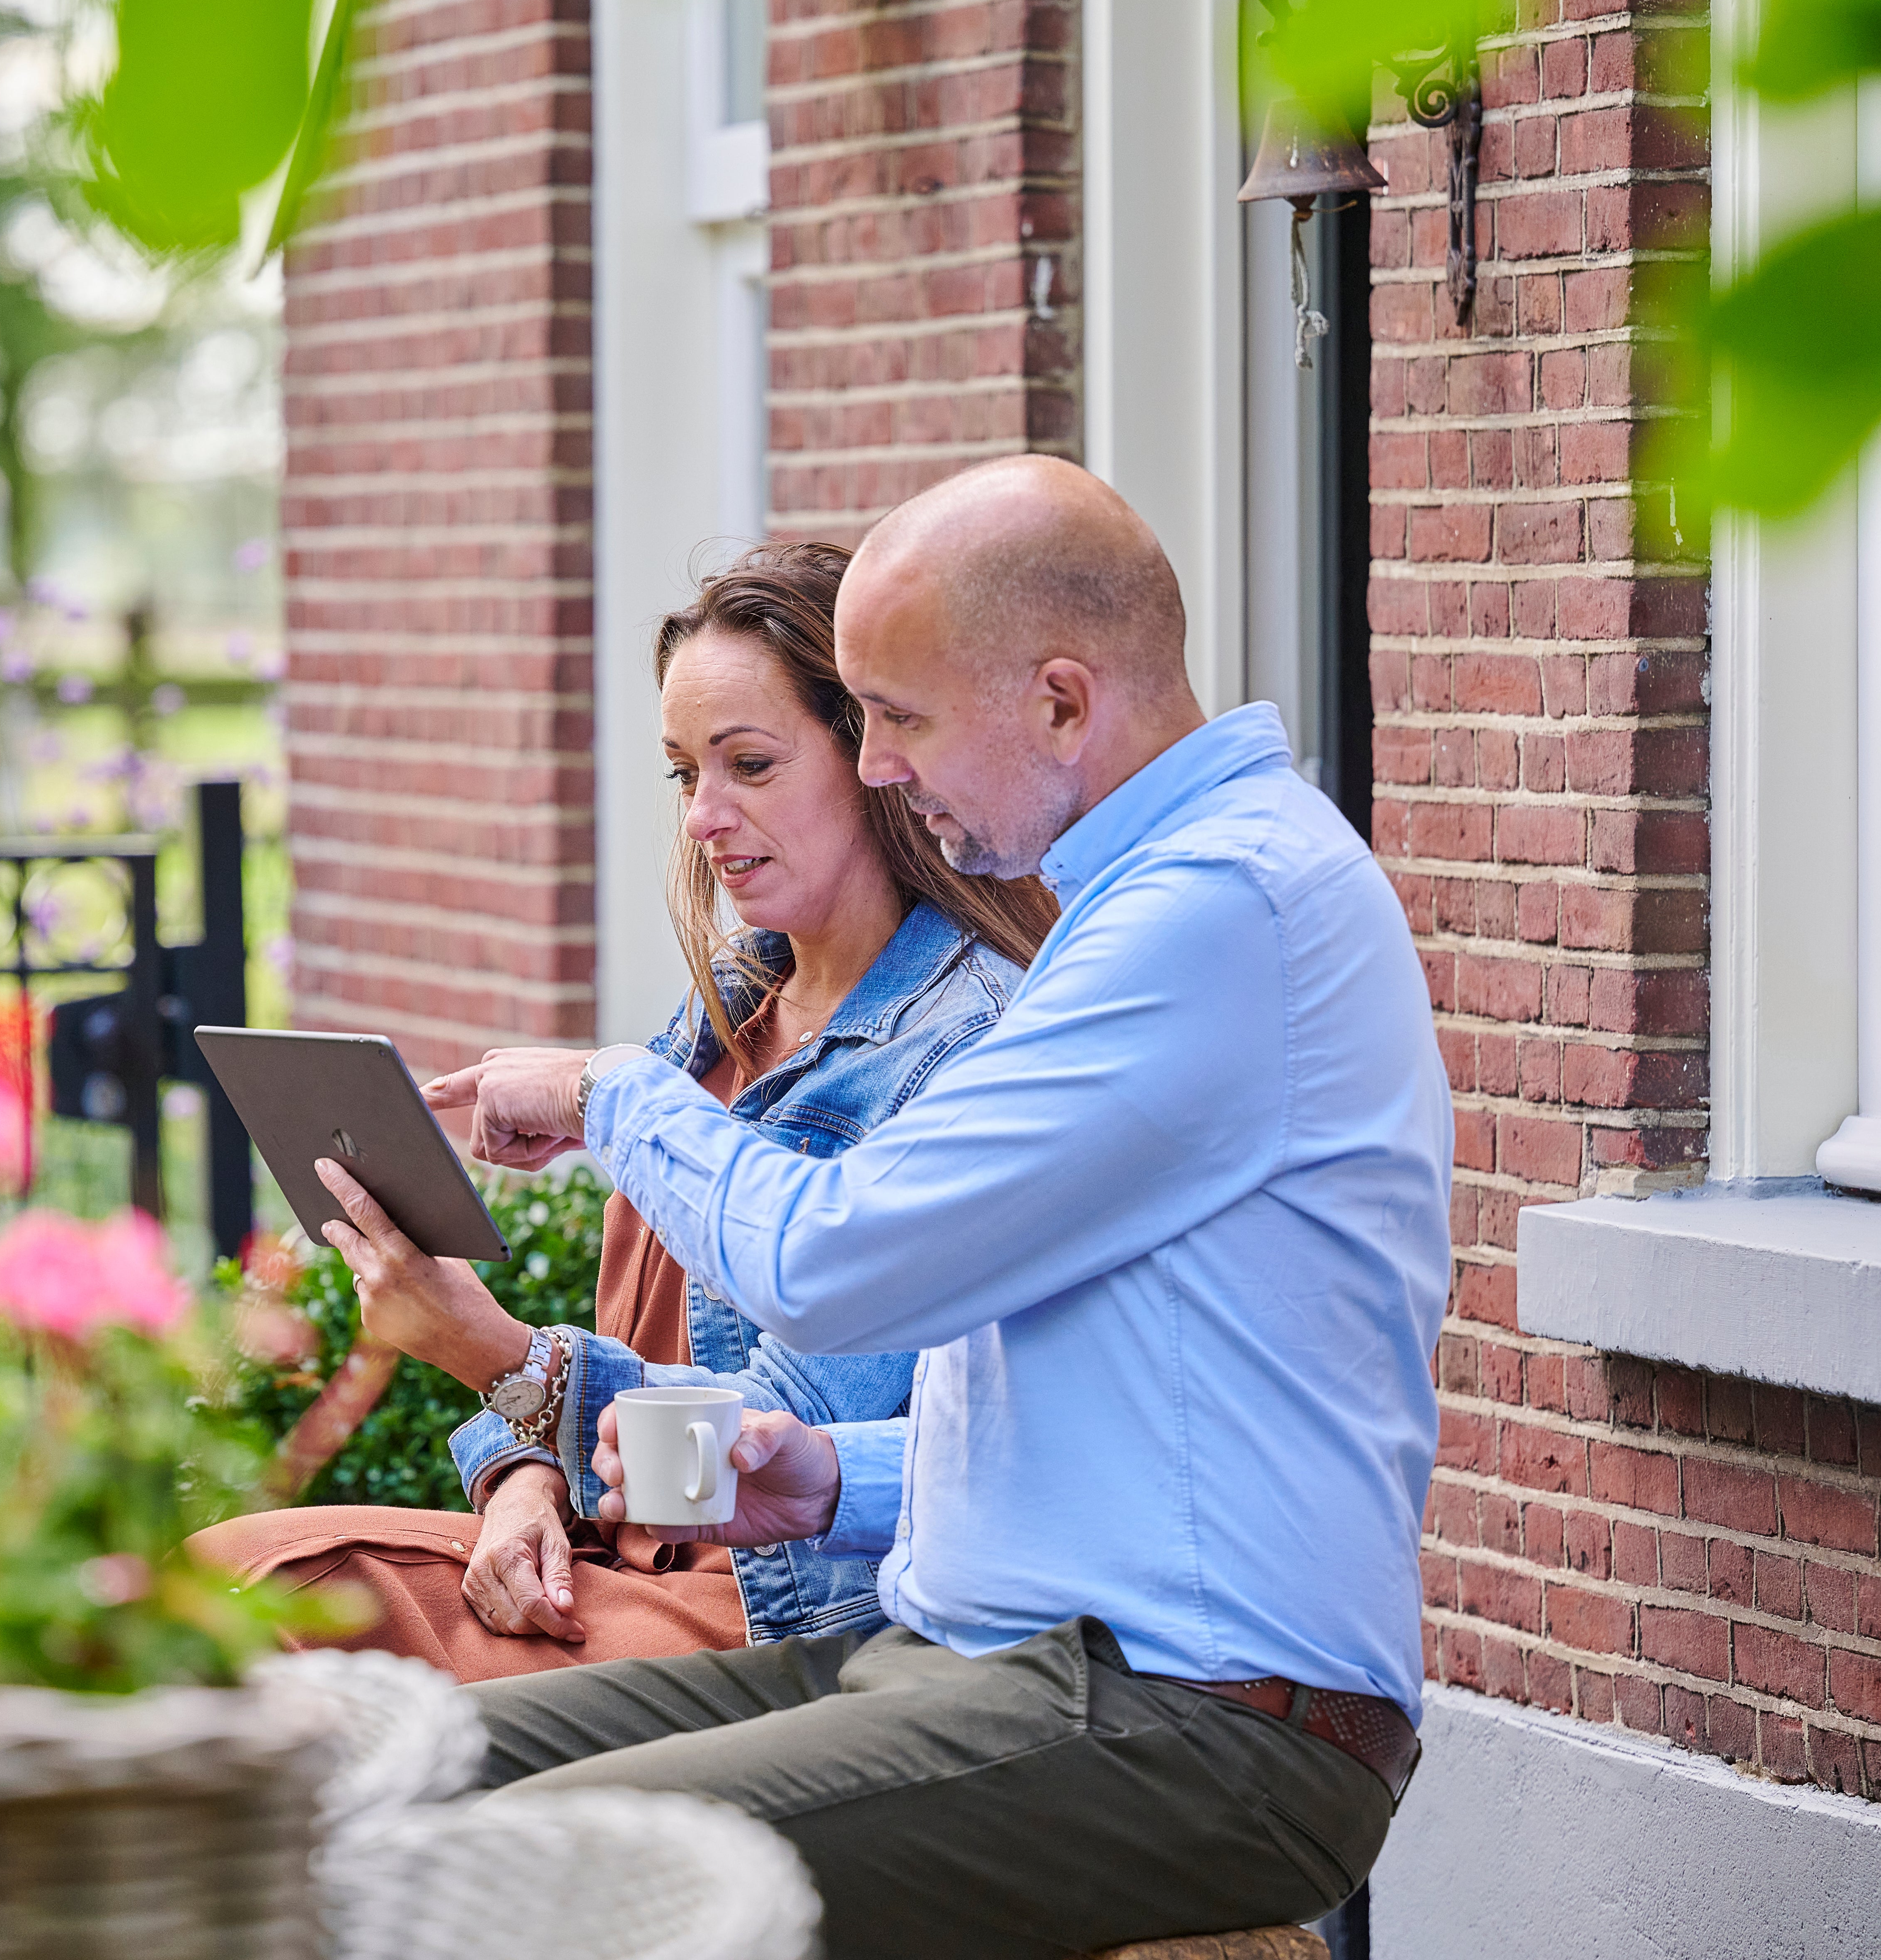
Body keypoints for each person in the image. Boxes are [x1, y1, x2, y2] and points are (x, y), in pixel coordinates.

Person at [422, 456, 1453, 1960]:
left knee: (535, 1880)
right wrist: (833, 1480)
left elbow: (837, 1263)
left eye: (897, 718)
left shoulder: (1222, 909)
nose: (884, 767)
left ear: (1057, 701)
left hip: (1196, 1725)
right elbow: (1142, 1412)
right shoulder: (1143, 904)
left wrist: (608, 1096)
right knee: (398, 1778)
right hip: (979, 1655)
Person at [191, 542, 1054, 1681]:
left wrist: (484, 1352)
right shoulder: (737, 1006)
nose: (704, 816)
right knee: (217, 1584)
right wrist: (520, 1478)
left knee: (253, 1612)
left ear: (875, 762)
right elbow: (622, 1360)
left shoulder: (958, 1048)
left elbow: (765, 1442)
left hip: (770, 1608)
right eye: (685, 774)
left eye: (749, 764)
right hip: (606, 1559)